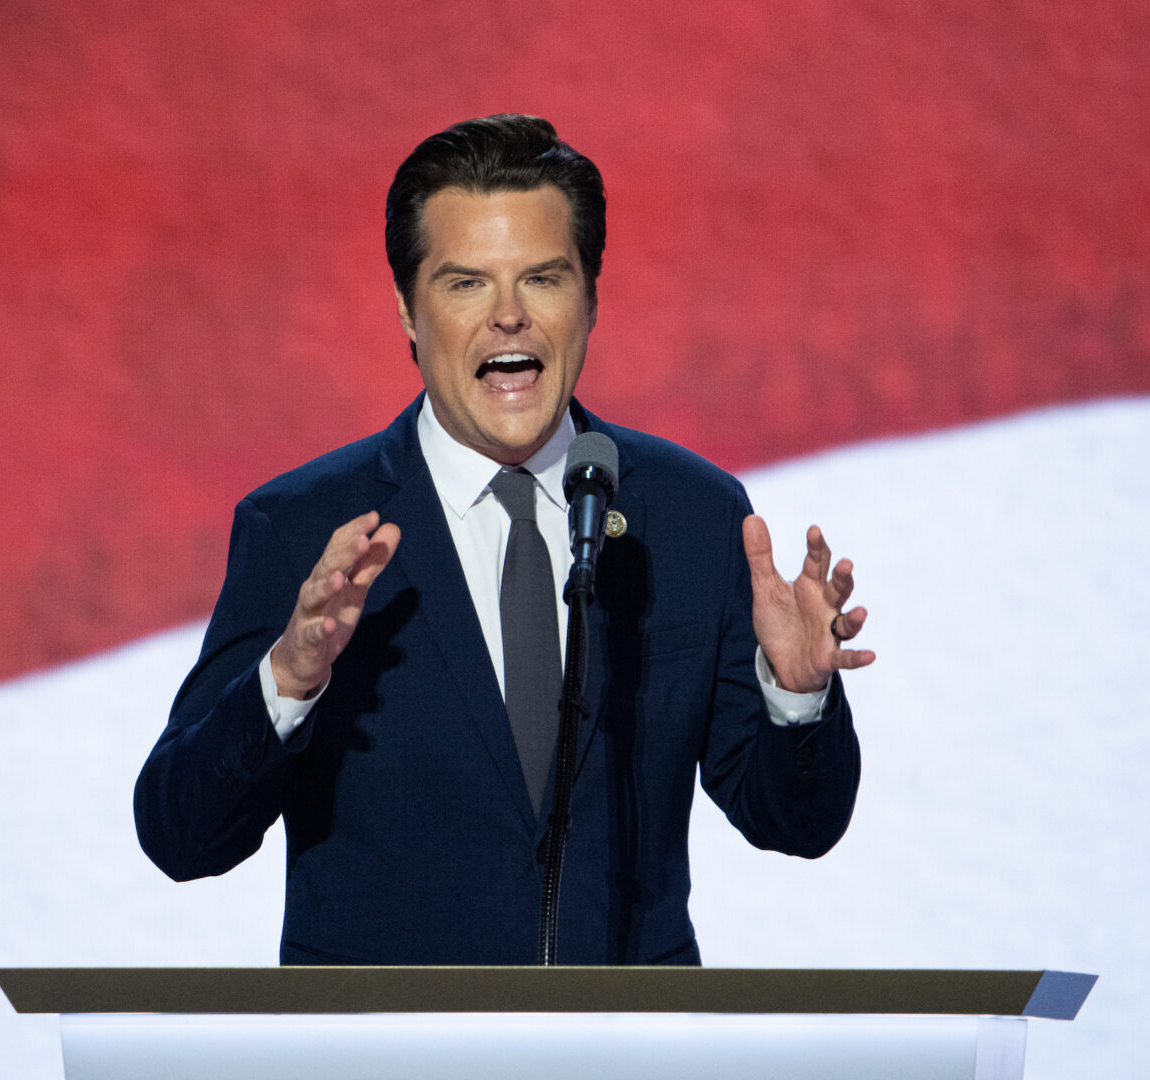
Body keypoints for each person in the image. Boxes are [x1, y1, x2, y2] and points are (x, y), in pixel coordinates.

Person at [134, 115, 873, 965]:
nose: (509, 317)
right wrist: (286, 683)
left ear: (591, 301)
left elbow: (797, 827)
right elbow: (179, 837)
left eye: (544, 279)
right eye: (465, 285)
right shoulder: (299, 527)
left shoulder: (692, 516)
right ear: (409, 312)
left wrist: (797, 695)